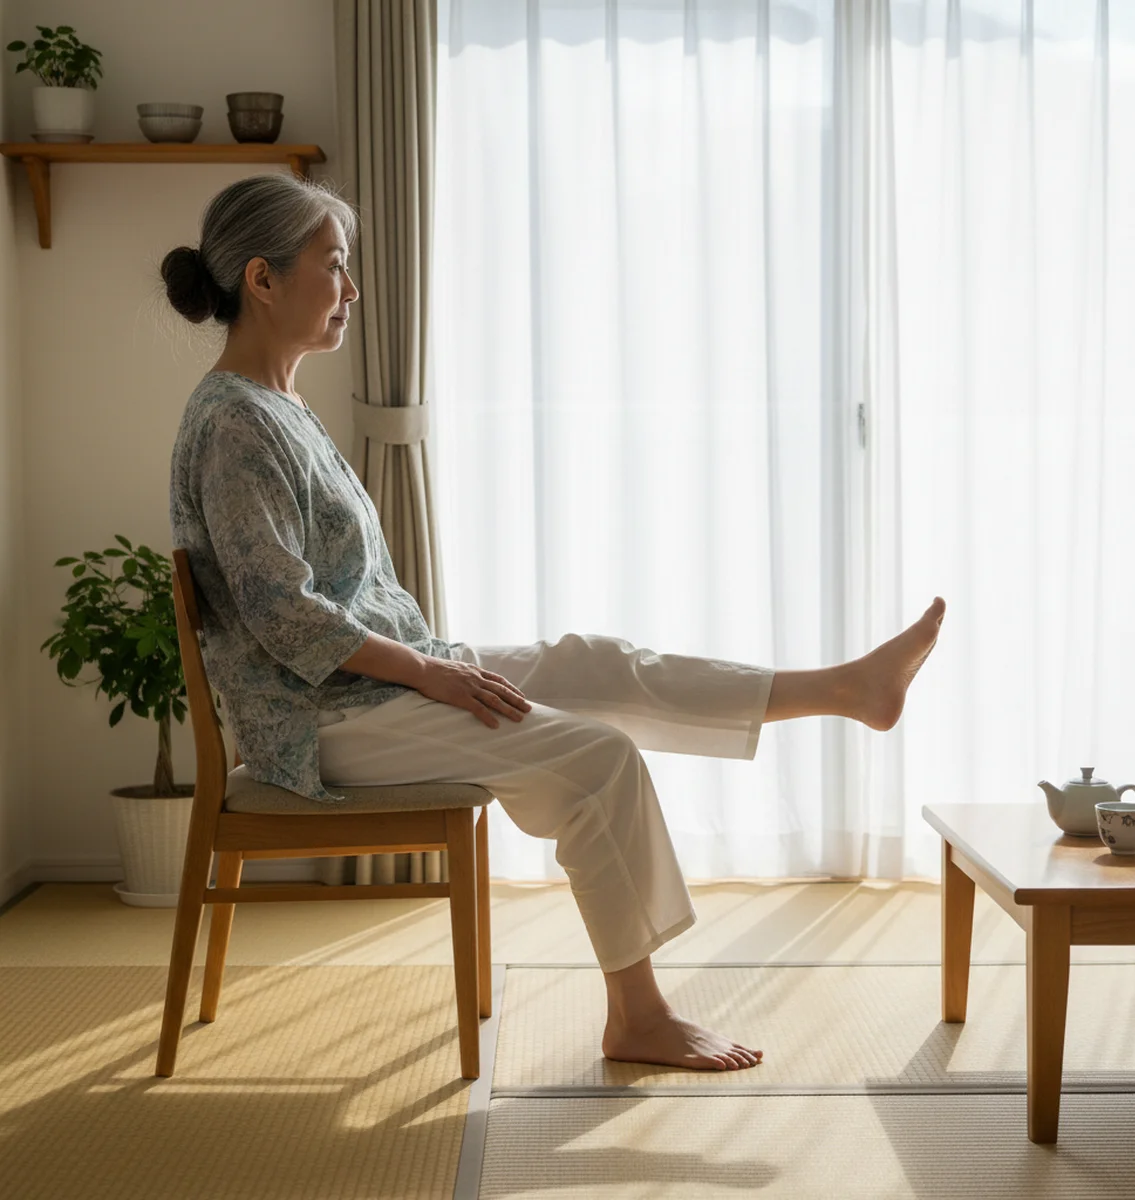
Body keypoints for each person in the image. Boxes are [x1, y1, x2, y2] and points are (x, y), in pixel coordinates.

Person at [166, 173, 945, 1074]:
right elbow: (281, 612)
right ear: (262, 281)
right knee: (595, 756)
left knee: (596, 662)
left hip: (375, 682)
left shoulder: (278, 407)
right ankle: (639, 1017)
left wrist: (429, 666)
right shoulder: (235, 424)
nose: (350, 291)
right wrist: (432, 674)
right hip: (319, 722)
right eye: (334, 268)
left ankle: (846, 688)